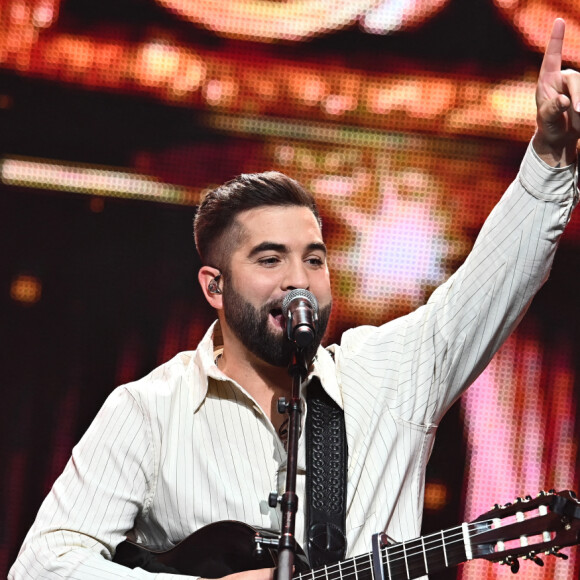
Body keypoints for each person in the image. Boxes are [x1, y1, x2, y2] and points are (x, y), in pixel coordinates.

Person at [9, 18, 580, 580]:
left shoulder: (388, 375)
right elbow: (43, 566)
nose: (298, 279)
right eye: (268, 259)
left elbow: (494, 282)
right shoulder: (148, 410)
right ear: (214, 286)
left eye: (313, 258)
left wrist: (550, 158)